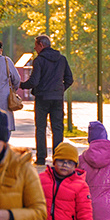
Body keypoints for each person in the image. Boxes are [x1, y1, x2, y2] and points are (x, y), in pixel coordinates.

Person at [26, 34, 74, 165]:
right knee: (57, 128)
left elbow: (34, 81)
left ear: (41, 45)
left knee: (41, 127)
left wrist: (20, 85)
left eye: (36, 46)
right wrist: (59, 89)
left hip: (42, 98)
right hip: (57, 98)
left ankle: (41, 158)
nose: (35, 48)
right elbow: (69, 79)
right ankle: (58, 157)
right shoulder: (62, 59)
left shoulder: (39, 60)